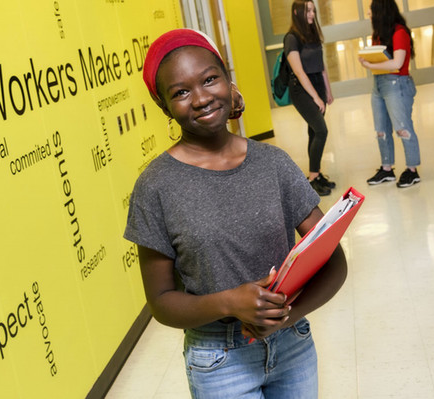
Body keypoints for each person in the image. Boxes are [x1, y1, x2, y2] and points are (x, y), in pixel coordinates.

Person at [124, 28, 348, 398]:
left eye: (210, 79)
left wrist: (283, 318)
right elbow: (161, 302)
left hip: (292, 342)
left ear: (228, 80)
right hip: (217, 359)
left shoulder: (273, 164)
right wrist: (230, 302)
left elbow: (333, 261)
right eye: (180, 92)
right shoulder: (155, 187)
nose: (200, 98)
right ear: (164, 106)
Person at [359, 0, 421, 188]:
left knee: (403, 128)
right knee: (381, 130)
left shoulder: (399, 32)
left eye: (371, 10)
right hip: (379, 84)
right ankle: (387, 169)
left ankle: (412, 170)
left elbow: (397, 63)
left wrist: (370, 65)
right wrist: (370, 61)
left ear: (380, 11)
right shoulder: (378, 35)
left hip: (397, 85)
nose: (369, 13)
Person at [284, 0, 335, 196]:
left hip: (318, 87)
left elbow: (321, 66)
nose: (312, 15)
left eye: (313, 10)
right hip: (302, 90)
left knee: (314, 132)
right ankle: (313, 178)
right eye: (308, 11)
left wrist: (327, 91)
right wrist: (315, 97)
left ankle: (317, 174)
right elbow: (298, 72)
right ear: (297, 12)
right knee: (321, 130)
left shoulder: (313, 34)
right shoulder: (292, 38)